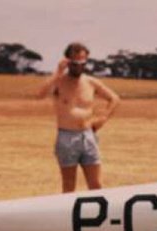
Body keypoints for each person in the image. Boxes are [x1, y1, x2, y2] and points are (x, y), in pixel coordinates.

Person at [37, 42, 121, 193]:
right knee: (69, 186)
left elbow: (114, 98)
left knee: (96, 185)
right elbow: (40, 94)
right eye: (75, 63)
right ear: (68, 61)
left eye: (83, 63)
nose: (79, 67)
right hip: (66, 138)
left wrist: (103, 118)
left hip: (88, 137)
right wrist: (58, 72)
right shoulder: (59, 82)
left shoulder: (91, 82)